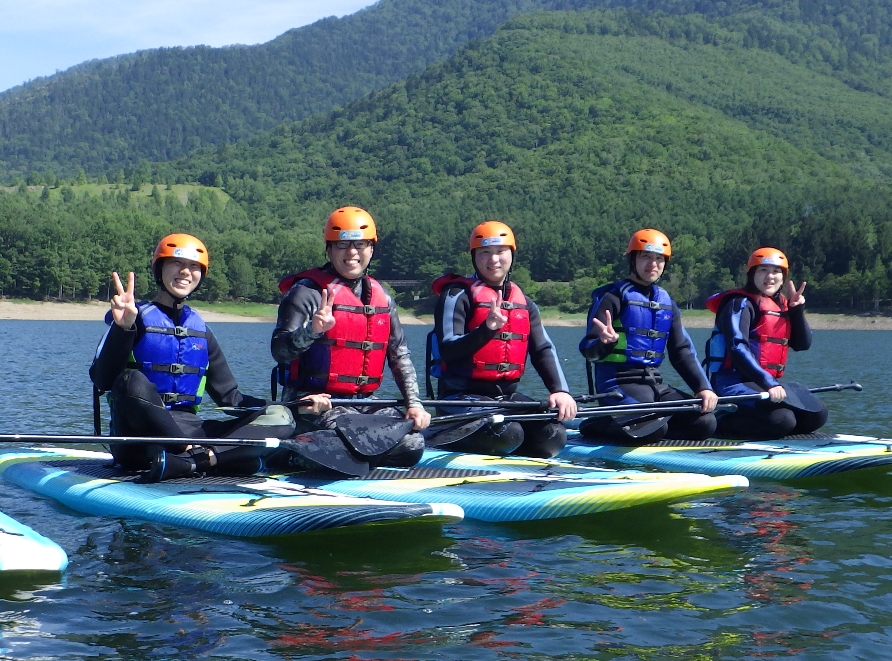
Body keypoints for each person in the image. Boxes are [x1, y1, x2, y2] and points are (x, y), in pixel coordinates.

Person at [89, 233, 293, 481]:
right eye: (177, 263)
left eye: (194, 266)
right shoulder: (133, 318)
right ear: (160, 269)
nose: (186, 272)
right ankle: (216, 457)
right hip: (137, 438)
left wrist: (294, 406)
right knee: (131, 380)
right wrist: (123, 329)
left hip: (190, 432)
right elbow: (103, 381)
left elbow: (232, 398)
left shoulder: (202, 331)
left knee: (282, 416)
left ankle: (196, 460)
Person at [271, 206, 430, 466]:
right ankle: (296, 450)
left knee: (412, 445)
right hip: (315, 404)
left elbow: (399, 354)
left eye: (360, 244)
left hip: (364, 404)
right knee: (342, 444)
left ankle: (353, 457)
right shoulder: (306, 292)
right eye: (343, 245)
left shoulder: (383, 297)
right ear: (329, 249)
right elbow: (280, 350)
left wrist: (414, 404)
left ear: (372, 249)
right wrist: (313, 331)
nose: (352, 252)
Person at [428, 222, 578, 457]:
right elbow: (448, 350)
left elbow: (542, 349)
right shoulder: (457, 295)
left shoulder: (525, 303)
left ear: (511, 255)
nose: (493, 259)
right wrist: (486, 329)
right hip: (461, 397)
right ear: (474, 257)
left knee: (553, 435)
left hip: (506, 397)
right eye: (485, 253)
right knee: (508, 434)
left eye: (500, 252)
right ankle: (446, 435)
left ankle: (512, 448)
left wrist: (560, 390)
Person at [578, 228, 718, 443]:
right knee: (651, 427)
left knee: (704, 423)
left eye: (659, 258)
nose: (653, 264)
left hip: (655, 383)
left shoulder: (666, 301)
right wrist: (604, 343)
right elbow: (589, 351)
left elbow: (681, 351)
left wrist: (702, 387)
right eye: (646, 256)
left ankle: (651, 428)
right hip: (617, 384)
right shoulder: (612, 297)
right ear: (633, 259)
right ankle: (597, 424)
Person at [703, 247, 825, 438]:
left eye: (776, 271)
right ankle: (719, 421)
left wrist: (797, 310)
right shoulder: (739, 303)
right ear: (752, 274)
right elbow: (737, 347)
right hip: (732, 383)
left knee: (816, 415)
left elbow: (803, 344)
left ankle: (765, 427)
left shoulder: (782, 306)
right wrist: (769, 383)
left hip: (764, 383)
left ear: (783, 277)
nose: (770, 276)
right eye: (763, 270)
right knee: (783, 420)